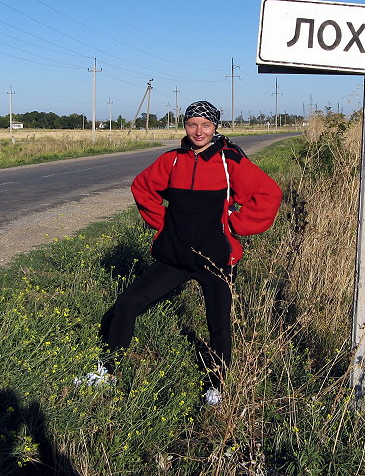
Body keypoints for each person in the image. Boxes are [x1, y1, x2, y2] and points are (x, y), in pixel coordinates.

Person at [90, 101, 282, 405]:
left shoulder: (229, 161)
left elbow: (269, 194)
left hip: (215, 261)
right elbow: (142, 188)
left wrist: (234, 226)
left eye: (206, 125)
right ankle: (107, 373)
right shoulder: (172, 161)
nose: (199, 131)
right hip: (175, 258)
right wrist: (165, 224)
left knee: (218, 326)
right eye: (192, 124)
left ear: (215, 127)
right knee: (126, 305)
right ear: (185, 126)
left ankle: (216, 387)